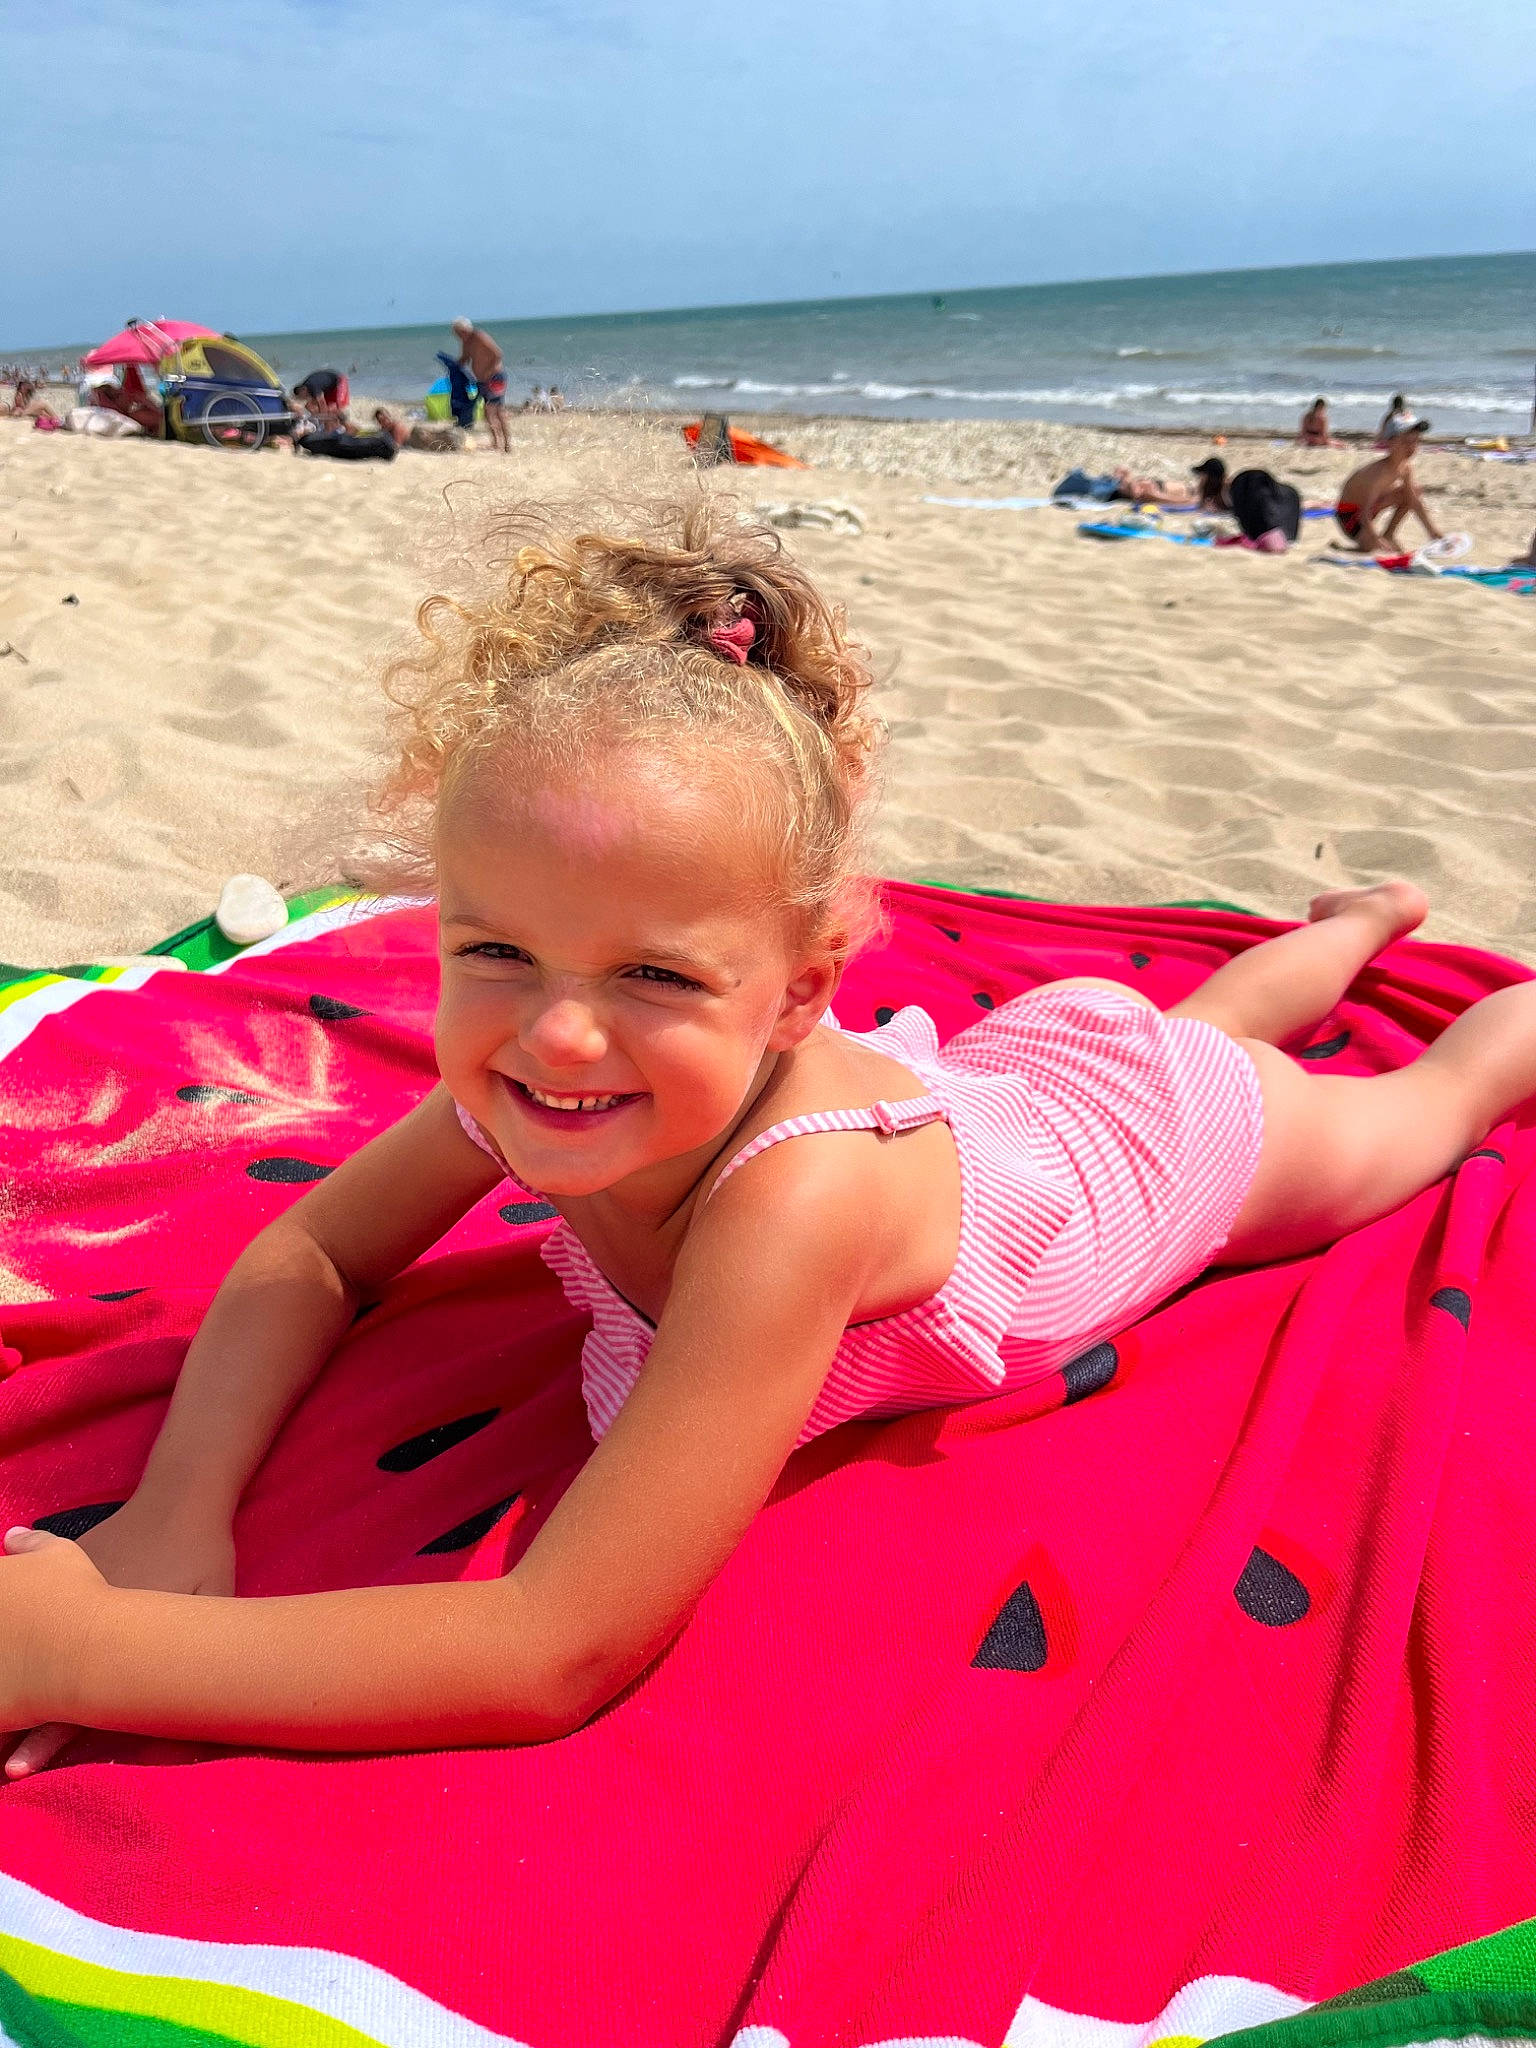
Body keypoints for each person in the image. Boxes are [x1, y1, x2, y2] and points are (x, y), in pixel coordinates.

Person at [8, 498, 1536, 1773]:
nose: (556, 1029)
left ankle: (1460, 992)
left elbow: (556, 1647)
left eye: (656, 976)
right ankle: (1350, 927)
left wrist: (94, 1648)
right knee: (1202, 1014)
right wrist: (173, 1505)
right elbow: (313, 1250)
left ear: (799, 996)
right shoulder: (559, 1074)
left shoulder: (792, 1204)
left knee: (1410, 1110)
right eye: (495, 952)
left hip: (1144, 1154)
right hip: (1002, 1090)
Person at [1334, 423, 1441, 553]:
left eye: (1415, 442)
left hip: (1370, 510)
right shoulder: (1378, 472)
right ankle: (1363, 543)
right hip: (1350, 516)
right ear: (1391, 442)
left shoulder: (1405, 468)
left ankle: (1389, 534)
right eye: (1406, 442)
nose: (1411, 447)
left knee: (1413, 491)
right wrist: (1374, 539)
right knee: (1374, 548)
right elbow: (1364, 513)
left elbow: (1414, 502)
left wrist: (1432, 531)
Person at [1191, 459, 1301, 549]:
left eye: (1202, 476)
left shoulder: (1240, 487)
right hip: (1285, 510)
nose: (1200, 480)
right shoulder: (1233, 489)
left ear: (1207, 477)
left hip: (1273, 519)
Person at [452, 318, 508, 453]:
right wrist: (452, 366)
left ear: (465, 330)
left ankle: (506, 444)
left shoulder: (480, 337)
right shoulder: (466, 342)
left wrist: (488, 371)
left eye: (458, 333)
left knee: (493, 412)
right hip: (482, 381)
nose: (457, 336)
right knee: (490, 413)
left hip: (495, 378)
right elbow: (465, 358)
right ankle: (497, 443)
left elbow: (497, 354)